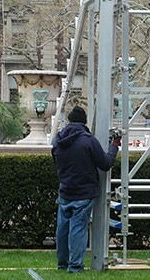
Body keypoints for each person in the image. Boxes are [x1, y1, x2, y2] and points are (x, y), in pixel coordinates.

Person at [51, 106, 119, 273]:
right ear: (84, 121)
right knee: (78, 230)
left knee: (62, 229)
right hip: (84, 193)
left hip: (65, 191)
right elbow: (105, 164)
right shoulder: (88, 140)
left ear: (69, 120)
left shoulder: (58, 140)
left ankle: (62, 264)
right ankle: (75, 267)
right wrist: (114, 146)